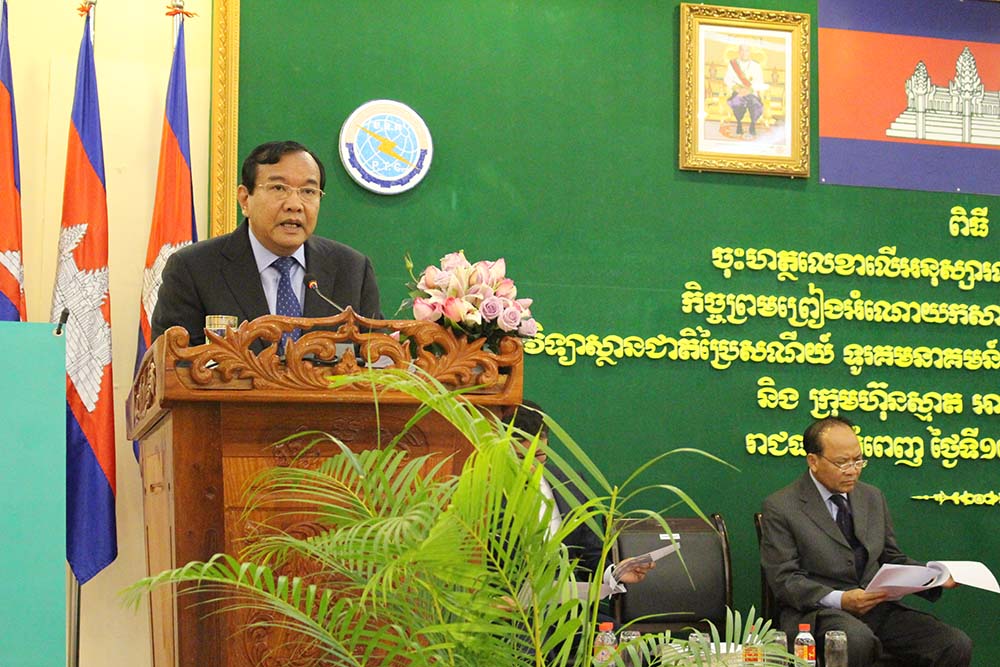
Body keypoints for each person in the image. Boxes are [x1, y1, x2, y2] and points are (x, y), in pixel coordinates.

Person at [760, 416, 972, 666]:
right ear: (813, 461)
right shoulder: (781, 506)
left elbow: (891, 558)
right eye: (842, 463)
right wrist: (841, 599)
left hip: (877, 609)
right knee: (855, 639)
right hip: (819, 613)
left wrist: (933, 577)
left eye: (858, 460)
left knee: (954, 643)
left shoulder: (871, 497)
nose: (853, 470)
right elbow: (785, 580)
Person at [151, 140, 382, 347]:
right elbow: (173, 366)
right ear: (245, 199)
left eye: (308, 191)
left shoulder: (352, 270)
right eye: (278, 188)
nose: (295, 205)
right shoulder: (193, 269)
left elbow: (378, 362)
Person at [502, 400, 654, 599]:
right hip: (509, 606)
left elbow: (589, 551)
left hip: (567, 606)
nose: (531, 465)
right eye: (520, 457)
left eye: (539, 455)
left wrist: (615, 572)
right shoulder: (486, 493)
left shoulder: (571, 484)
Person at [722, 43, 767, 139]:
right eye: (742, 50)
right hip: (738, 92)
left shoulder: (756, 65)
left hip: (751, 93)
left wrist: (749, 90)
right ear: (739, 52)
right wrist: (737, 89)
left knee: (755, 103)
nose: (744, 53)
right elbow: (727, 79)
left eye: (746, 50)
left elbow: (760, 82)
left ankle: (752, 125)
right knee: (737, 102)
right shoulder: (733, 64)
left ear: (750, 52)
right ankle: (739, 123)